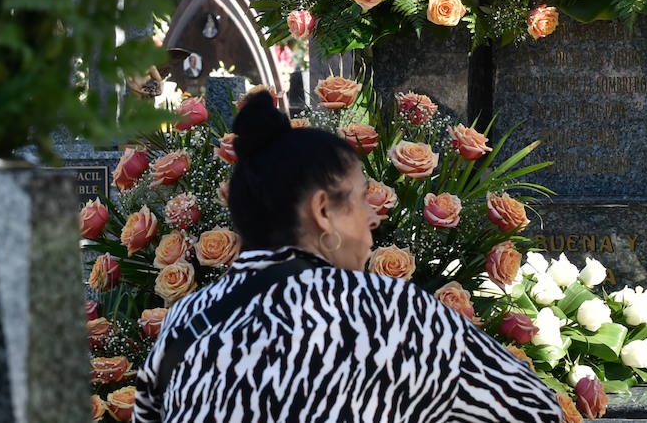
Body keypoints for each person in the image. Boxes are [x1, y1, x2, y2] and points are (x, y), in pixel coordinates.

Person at [132, 91, 562, 423]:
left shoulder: (188, 318)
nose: (374, 218)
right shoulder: (398, 314)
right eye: (359, 201)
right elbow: (537, 411)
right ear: (322, 211)